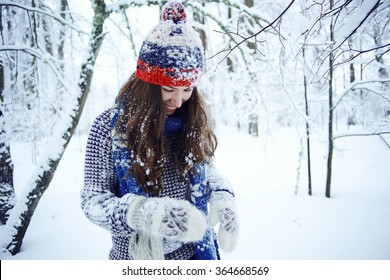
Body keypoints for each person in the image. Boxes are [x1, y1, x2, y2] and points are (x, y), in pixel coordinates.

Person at [81, 0, 238, 260]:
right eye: (168, 89)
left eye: (187, 89)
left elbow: (207, 168)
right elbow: (93, 201)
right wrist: (141, 213)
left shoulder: (191, 120)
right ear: (147, 85)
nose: (178, 101)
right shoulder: (109, 128)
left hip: (196, 257)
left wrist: (223, 197)